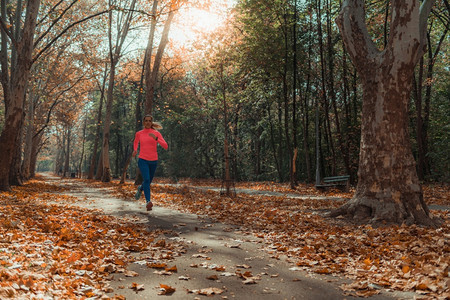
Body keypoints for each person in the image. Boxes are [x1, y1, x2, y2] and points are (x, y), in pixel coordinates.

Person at [132, 115, 168, 211]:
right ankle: (148, 202)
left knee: (148, 182)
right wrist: (135, 150)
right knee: (147, 179)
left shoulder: (156, 133)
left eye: (149, 121)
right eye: (146, 121)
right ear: (143, 122)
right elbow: (136, 142)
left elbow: (166, 146)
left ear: (151, 122)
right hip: (143, 160)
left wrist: (156, 139)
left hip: (153, 161)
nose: (148, 122)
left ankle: (140, 188)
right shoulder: (139, 133)